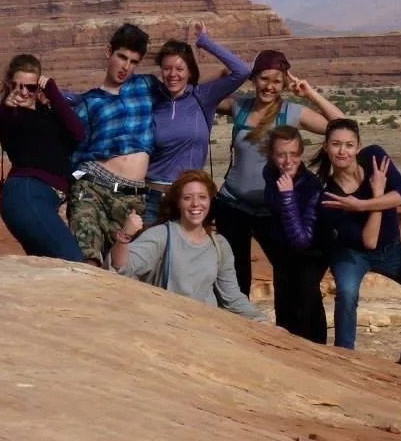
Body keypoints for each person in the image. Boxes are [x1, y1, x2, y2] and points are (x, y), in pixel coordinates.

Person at [213, 49, 344, 333]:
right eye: (263, 79)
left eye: (276, 81)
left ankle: (292, 337)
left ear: (284, 84)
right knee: (235, 276)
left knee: (287, 274)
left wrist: (310, 93)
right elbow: (201, 97)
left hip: (274, 208)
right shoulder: (239, 106)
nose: (269, 86)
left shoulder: (292, 112)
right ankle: (237, 333)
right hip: (232, 204)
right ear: (253, 79)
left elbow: (343, 127)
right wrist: (222, 78)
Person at [308, 118, 401, 365]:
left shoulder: (375, 157)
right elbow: (368, 240)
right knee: (346, 293)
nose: (342, 151)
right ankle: (344, 358)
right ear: (326, 147)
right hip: (351, 254)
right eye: (336, 145)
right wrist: (378, 196)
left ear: (359, 147)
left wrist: (362, 204)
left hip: (392, 249)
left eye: (348, 145)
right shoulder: (328, 196)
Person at [111, 170, 266, 321]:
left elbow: (232, 298)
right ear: (178, 203)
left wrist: (261, 320)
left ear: (210, 201)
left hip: (206, 329)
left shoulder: (219, 245)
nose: (195, 204)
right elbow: (122, 267)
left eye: (202, 197)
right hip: (166, 325)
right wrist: (125, 236)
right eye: (187, 198)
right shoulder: (162, 235)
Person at [144, 20, 251, 224]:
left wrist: (205, 42)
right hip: (153, 196)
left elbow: (242, 71)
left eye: (179, 69)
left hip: (189, 197)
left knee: (187, 254)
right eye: (167, 69)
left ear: (190, 72)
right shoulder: (153, 99)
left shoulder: (203, 97)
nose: (172, 75)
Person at [68, 23, 156, 266]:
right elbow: (74, 152)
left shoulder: (146, 86)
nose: (126, 66)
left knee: (123, 268)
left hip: (133, 197)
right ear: (109, 52)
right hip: (93, 187)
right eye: (122, 57)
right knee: (88, 259)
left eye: (134, 61)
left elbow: (184, 91)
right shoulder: (89, 102)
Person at [0, 54, 85, 262]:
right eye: (18, 86)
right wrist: (7, 106)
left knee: (48, 266)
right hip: (26, 193)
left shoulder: (48, 113)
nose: (24, 92)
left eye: (31, 87)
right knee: (72, 260)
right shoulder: (9, 114)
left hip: (45, 198)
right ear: (9, 84)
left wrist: (53, 91)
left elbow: (78, 133)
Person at [262, 126, 330, 343]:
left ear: (301, 154)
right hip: (285, 249)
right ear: (272, 156)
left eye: (294, 154)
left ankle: (317, 352)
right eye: (281, 154)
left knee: (306, 296)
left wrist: (288, 197)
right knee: (283, 298)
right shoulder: (270, 172)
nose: (288, 161)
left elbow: (302, 240)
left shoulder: (310, 186)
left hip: (313, 250)